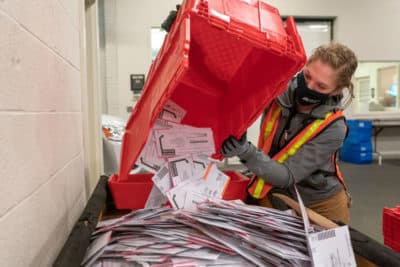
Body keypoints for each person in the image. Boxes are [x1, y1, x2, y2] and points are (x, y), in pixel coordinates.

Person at [221, 43, 358, 224]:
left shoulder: (334, 128)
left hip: (320, 202)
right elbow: (230, 76)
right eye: (307, 75)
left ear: (336, 89)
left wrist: (246, 152)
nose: (309, 86)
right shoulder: (277, 88)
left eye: (321, 86)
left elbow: (287, 176)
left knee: (328, 251)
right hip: (276, 192)